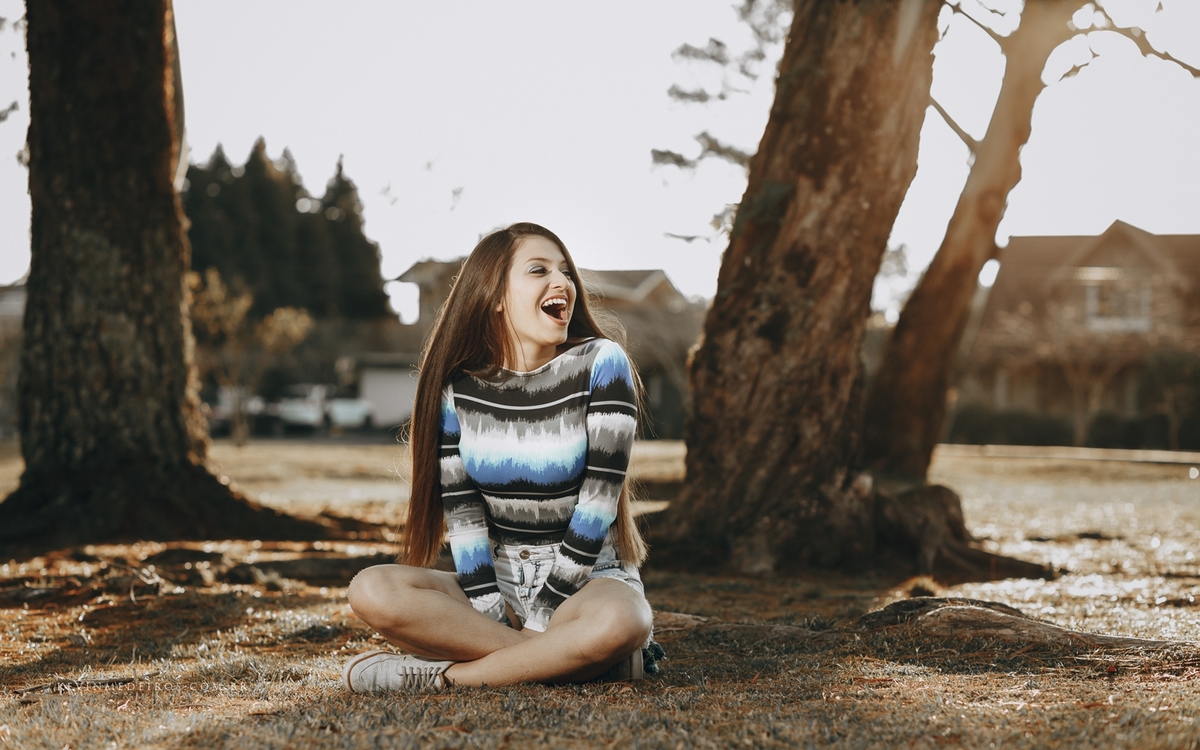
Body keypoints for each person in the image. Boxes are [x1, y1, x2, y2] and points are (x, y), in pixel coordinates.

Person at [344, 222, 654, 692]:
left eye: (566, 272)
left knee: (623, 621)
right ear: (496, 296)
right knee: (371, 588)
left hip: (589, 580)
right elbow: (463, 515)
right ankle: (576, 662)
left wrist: (543, 616)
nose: (563, 283)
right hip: (499, 581)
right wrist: (490, 608)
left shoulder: (602, 363)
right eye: (539, 270)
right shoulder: (460, 389)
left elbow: (598, 504)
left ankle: (446, 679)